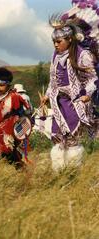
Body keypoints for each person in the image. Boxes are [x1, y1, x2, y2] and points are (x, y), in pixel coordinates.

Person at [40, 9, 98, 171]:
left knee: (72, 139)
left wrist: (87, 94)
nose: (56, 44)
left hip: (75, 102)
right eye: (54, 41)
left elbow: (93, 78)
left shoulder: (82, 55)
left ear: (70, 39)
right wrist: (46, 96)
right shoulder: (55, 55)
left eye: (59, 41)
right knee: (58, 138)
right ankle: (59, 173)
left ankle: (73, 172)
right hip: (58, 103)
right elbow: (53, 80)